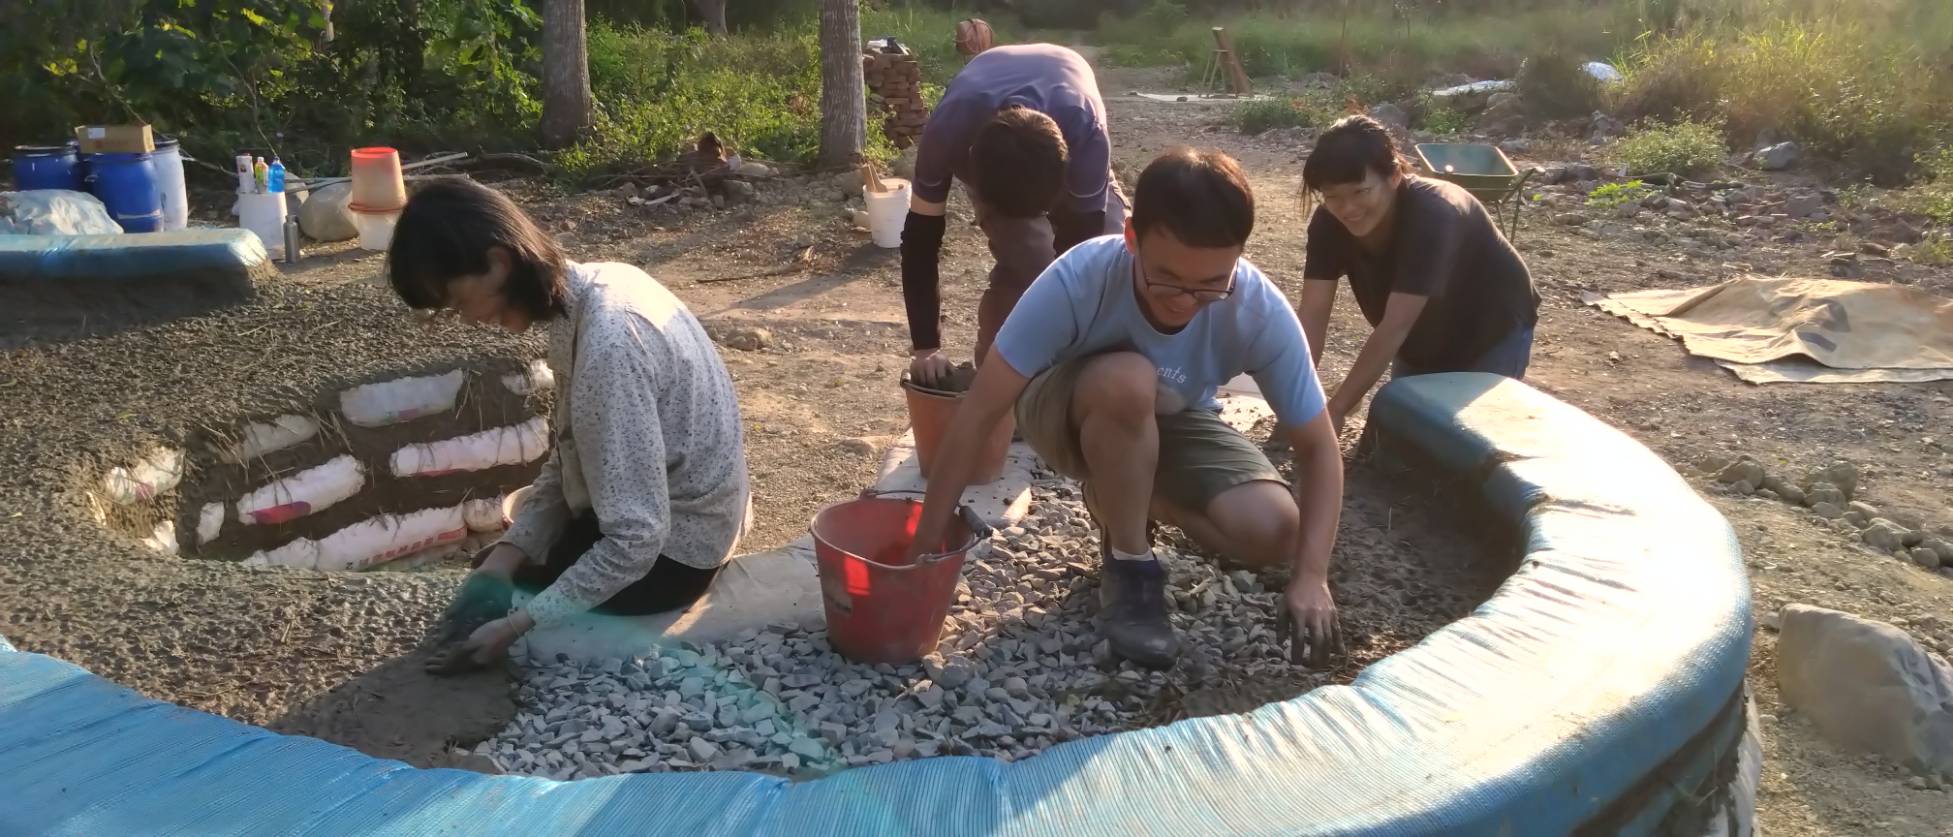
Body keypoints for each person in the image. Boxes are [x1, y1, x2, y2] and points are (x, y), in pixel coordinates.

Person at [906, 149, 1347, 670]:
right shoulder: (1080, 278)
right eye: (1167, 279)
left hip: (1174, 416)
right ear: (1133, 237)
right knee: (1129, 381)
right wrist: (926, 552)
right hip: (1066, 408)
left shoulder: (1257, 310)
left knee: (1276, 531)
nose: (1185, 301)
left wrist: (1312, 576)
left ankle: (1118, 498)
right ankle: (1131, 566)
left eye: (1209, 285)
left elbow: (1320, 449)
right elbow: (980, 410)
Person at [383, 179, 751, 673]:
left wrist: (516, 625)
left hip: (681, 552)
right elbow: (572, 447)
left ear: (498, 262)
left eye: (454, 300)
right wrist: (506, 556)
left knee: (521, 596)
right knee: (499, 570)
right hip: (685, 509)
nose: (464, 319)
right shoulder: (588, 290)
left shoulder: (610, 346)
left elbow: (636, 539)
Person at [1297, 115, 1541, 434]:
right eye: (1333, 197)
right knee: (1407, 441)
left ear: (1395, 175)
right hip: (1421, 339)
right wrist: (1297, 402)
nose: (1348, 209)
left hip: (1492, 331)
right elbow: (1313, 314)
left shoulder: (1433, 214)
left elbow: (1395, 325)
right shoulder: (1329, 223)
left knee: (1469, 438)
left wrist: (1339, 407)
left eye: (1360, 192)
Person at [901, 43, 1128, 386]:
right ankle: (996, 382)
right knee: (1029, 257)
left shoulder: (1087, 134)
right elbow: (920, 240)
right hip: (983, 116)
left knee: (1113, 256)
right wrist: (925, 346)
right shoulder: (947, 133)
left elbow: (1080, 252)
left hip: (1068, 106)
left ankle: (1079, 377)